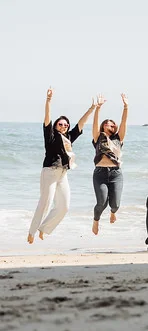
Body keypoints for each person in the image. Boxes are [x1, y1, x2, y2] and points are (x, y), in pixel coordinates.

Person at [28, 88, 96, 243]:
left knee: (64, 206)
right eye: (60, 124)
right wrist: (48, 101)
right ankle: (32, 232)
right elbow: (47, 118)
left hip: (63, 174)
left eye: (66, 124)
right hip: (50, 172)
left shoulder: (69, 138)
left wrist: (92, 109)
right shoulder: (50, 136)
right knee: (45, 203)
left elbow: (81, 123)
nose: (64, 126)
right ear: (55, 126)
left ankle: (44, 229)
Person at [91, 93, 128, 235]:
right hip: (100, 173)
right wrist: (98, 108)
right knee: (102, 202)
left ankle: (113, 212)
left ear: (114, 127)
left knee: (115, 204)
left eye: (111, 124)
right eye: (106, 123)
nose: (108, 124)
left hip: (116, 174)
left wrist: (126, 107)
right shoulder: (98, 137)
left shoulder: (119, 138)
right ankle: (96, 220)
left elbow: (124, 122)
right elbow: (95, 123)